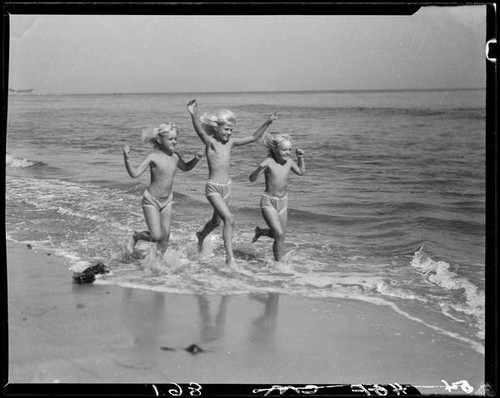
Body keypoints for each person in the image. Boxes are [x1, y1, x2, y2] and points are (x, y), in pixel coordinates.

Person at [187, 99, 279, 267]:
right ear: (216, 127)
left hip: (227, 188)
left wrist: (268, 122)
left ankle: (201, 235)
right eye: (227, 129)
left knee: (216, 222)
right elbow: (200, 132)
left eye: (231, 130)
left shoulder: (231, 143)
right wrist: (193, 114)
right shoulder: (211, 143)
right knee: (229, 219)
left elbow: (253, 137)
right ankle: (230, 259)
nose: (229, 133)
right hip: (213, 188)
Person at [123, 122, 203, 254]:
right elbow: (134, 174)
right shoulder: (153, 156)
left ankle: (157, 263)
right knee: (155, 236)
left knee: (165, 238)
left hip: (167, 201)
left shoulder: (175, 156)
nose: (174, 142)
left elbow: (187, 168)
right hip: (151, 200)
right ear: (160, 140)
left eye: (176, 139)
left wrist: (196, 159)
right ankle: (136, 236)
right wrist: (127, 158)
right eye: (170, 139)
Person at [249, 132, 305, 264]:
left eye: (290, 150)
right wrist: (259, 169)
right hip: (268, 201)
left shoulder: (290, 162)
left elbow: (301, 172)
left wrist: (300, 158)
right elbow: (251, 179)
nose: (288, 152)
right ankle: (278, 264)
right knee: (279, 235)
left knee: (279, 236)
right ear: (275, 149)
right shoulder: (269, 162)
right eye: (284, 150)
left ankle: (261, 232)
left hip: (283, 202)